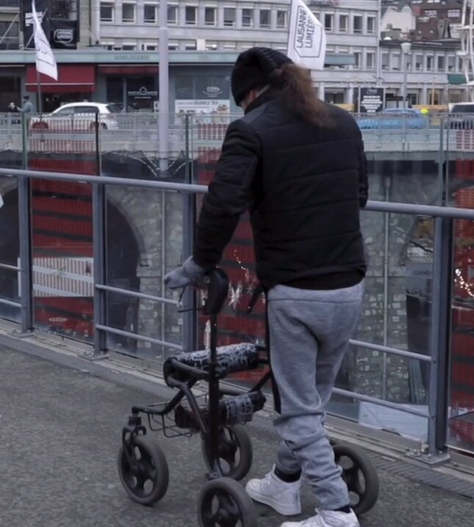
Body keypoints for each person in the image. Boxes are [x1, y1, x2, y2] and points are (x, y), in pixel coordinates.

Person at [164, 47, 368, 527]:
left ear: (250, 94)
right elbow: (359, 193)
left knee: (297, 411)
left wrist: (200, 264)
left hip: (296, 292)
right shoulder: (343, 123)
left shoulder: (250, 131)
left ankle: (337, 512)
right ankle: (284, 486)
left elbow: (222, 205)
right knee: (311, 400)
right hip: (348, 287)